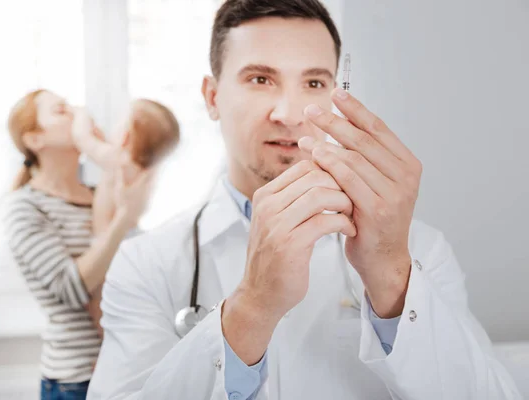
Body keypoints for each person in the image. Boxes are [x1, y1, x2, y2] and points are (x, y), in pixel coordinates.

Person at [87, 0, 522, 399]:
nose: (290, 114)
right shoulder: (146, 265)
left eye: (314, 82)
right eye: (260, 79)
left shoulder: (420, 252)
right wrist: (252, 307)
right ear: (212, 96)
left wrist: (390, 278)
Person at [1, 89, 152, 399]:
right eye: (61, 110)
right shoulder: (24, 206)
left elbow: (137, 267)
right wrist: (123, 218)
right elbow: (70, 288)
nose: (77, 113)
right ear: (34, 140)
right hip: (75, 379)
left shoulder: (100, 194)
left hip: (123, 368)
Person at [72, 99, 180, 335]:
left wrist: (79, 112)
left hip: (111, 241)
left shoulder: (119, 159)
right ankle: (106, 345)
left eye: (119, 123)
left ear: (126, 137)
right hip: (126, 239)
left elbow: (82, 138)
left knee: (100, 305)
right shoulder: (137, 165)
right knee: (108, 306)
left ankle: (103, 350)